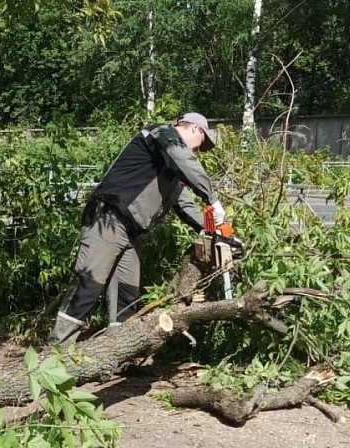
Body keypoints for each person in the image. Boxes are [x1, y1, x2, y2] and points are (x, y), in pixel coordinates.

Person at [48, 112, 226, 347]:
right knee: (88, 285)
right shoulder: (162, 133)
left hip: (131, 233)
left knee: (126, 296)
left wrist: (215, 229)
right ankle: (56, 353)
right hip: (109, 218)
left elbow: (184, 204)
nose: (198, 152)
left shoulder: (172, 169)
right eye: (201, 144)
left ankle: (118, 356)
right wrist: (212, 199)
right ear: (195, 129)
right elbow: (185, 159)